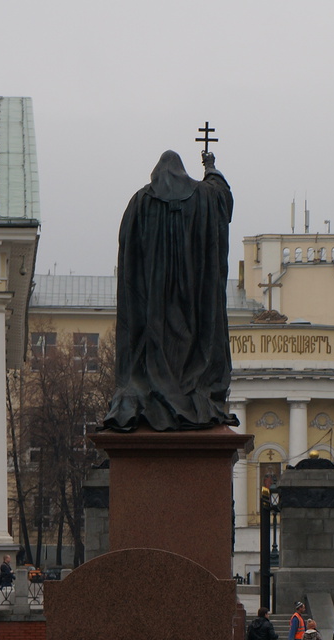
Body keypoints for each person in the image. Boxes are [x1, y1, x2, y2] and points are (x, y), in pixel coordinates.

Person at [103, 149, 237, 432]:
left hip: (153, 299)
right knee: (195, 343)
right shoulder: (204, 196)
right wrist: (212, 168)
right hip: (196, 297)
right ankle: (191, 393)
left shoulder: (141, 200)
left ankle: (155, 392)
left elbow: (129, 251)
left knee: (155, 344)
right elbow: (224, 200)